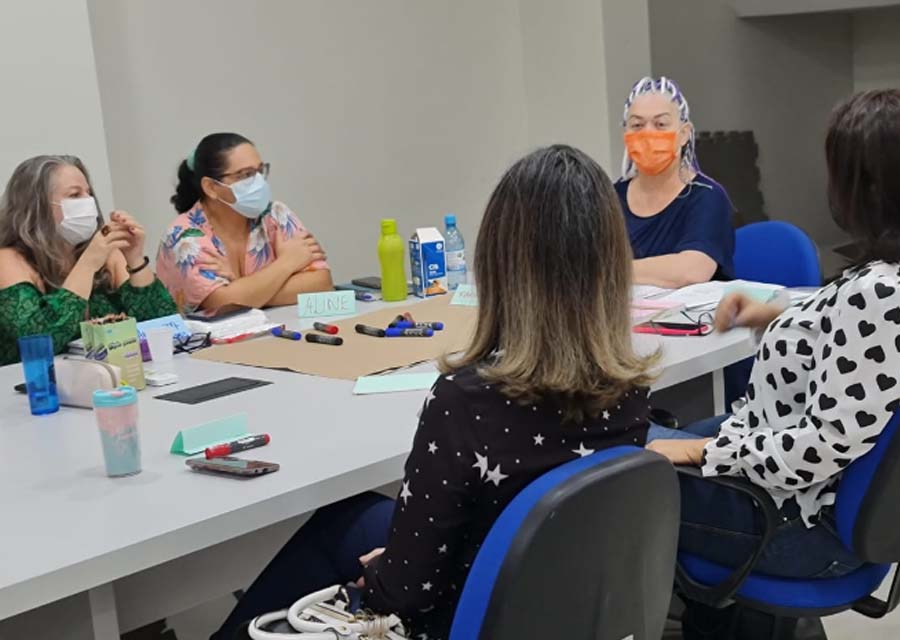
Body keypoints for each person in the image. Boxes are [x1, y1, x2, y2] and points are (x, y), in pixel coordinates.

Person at [211, 145, 657, 640]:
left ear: (499, 264)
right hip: (561, 606)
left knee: (337, 534)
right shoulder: (630, 387)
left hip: (461, 618)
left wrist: (382, 571)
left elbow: (405, 594)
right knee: (351, 515)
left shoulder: (465, 402)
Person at [646, 89, 900, 637]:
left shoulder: (885, 295)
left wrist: (700, 450)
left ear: (869, 186)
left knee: (615, 481)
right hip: (816, 492)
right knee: (641, 446)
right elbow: (860, 336)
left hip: (798, 520)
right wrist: (776, 313)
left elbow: (824, 444)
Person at [0, 155, 177, 366]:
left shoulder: (109, 256)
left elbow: (163, 327)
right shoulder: (9, 260)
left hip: (111, 379)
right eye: (75, 195)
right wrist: (88, 264)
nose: (88, 202)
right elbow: (41, 339)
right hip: (33, 390)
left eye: (89, 193)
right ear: (37, 207)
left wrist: (135, 259)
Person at [156, 133, 332, 315]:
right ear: (211, 187)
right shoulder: (185, 236)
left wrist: (242, 290)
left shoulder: (274, 214)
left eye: (260, 171)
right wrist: (287, 263)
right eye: (246, 175)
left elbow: (321, 282)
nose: (258, 182)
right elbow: (221, 304)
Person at [617, 76, 735, 288]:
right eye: (637, 125)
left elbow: (692, 271)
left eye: (660, 124)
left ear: (684, 134)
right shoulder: (608, 199)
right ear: (625, 134)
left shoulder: (707, 197)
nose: (648, 133)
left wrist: (610, 269)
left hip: (697, 319)